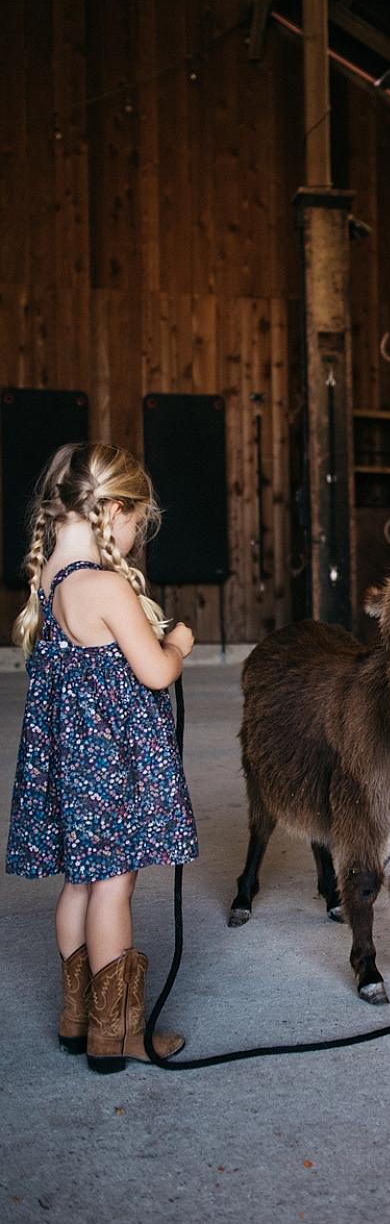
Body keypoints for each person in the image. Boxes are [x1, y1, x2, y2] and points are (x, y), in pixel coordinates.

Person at [5, 442, 198, 1073]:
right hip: (111, 765)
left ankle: (77, 1016)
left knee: (80, 883)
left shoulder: (48, 576)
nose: (137, 535)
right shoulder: (106, 587)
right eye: (138, 521)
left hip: (71, 763)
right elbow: (153, 673)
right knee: (115, 886)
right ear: (113, 509)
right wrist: (179, 643)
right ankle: (117, 1034)